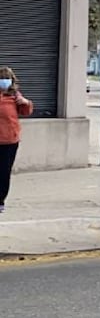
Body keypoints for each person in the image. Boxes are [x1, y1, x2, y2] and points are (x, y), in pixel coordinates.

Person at [0, 66, 33, 213]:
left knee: (4, 172)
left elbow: (26, 111)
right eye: (1, 78)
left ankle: (0, 200)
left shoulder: (14, 96)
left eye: (6, 78)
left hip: (9, 141)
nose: (4, 81)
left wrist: (25, 102)